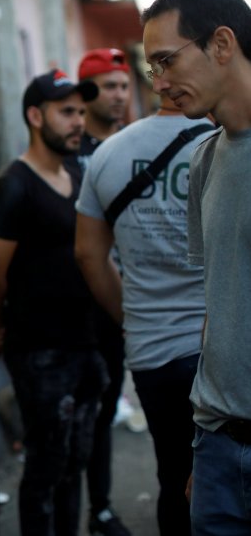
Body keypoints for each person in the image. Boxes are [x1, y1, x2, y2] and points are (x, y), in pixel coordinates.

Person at [0, 69, 107, 536]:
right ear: (35, 115)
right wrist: (2, 325)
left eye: (81, 112)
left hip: (86, 343)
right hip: (40, 353)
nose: (78, 122)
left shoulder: (76, 172)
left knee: (76, 463)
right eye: (67, 111)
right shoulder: (13, 187)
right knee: (46, 467)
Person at [75, 92, 213, 535]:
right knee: (225, 483)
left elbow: (88, 255)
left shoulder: (108, 153)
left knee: (173, 478)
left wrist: (132, 319)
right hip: (220, 352)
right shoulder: (223, 144)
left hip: (151, 349)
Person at [141, 0, 251, 534]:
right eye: (150, 69)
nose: (159, 84)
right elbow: (218, 299)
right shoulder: (206, 158)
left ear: (222, 43)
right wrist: (203, 447)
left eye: (165, 61)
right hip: (216, 445)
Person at [72, 47, 133, 536]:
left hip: (119, 306)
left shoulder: (133, 147)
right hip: (76, 311)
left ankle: (103, 507)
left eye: (125, 85)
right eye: (109, 86)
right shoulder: (69, 154)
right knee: (76, 420)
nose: (120, 95)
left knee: (108, 406)